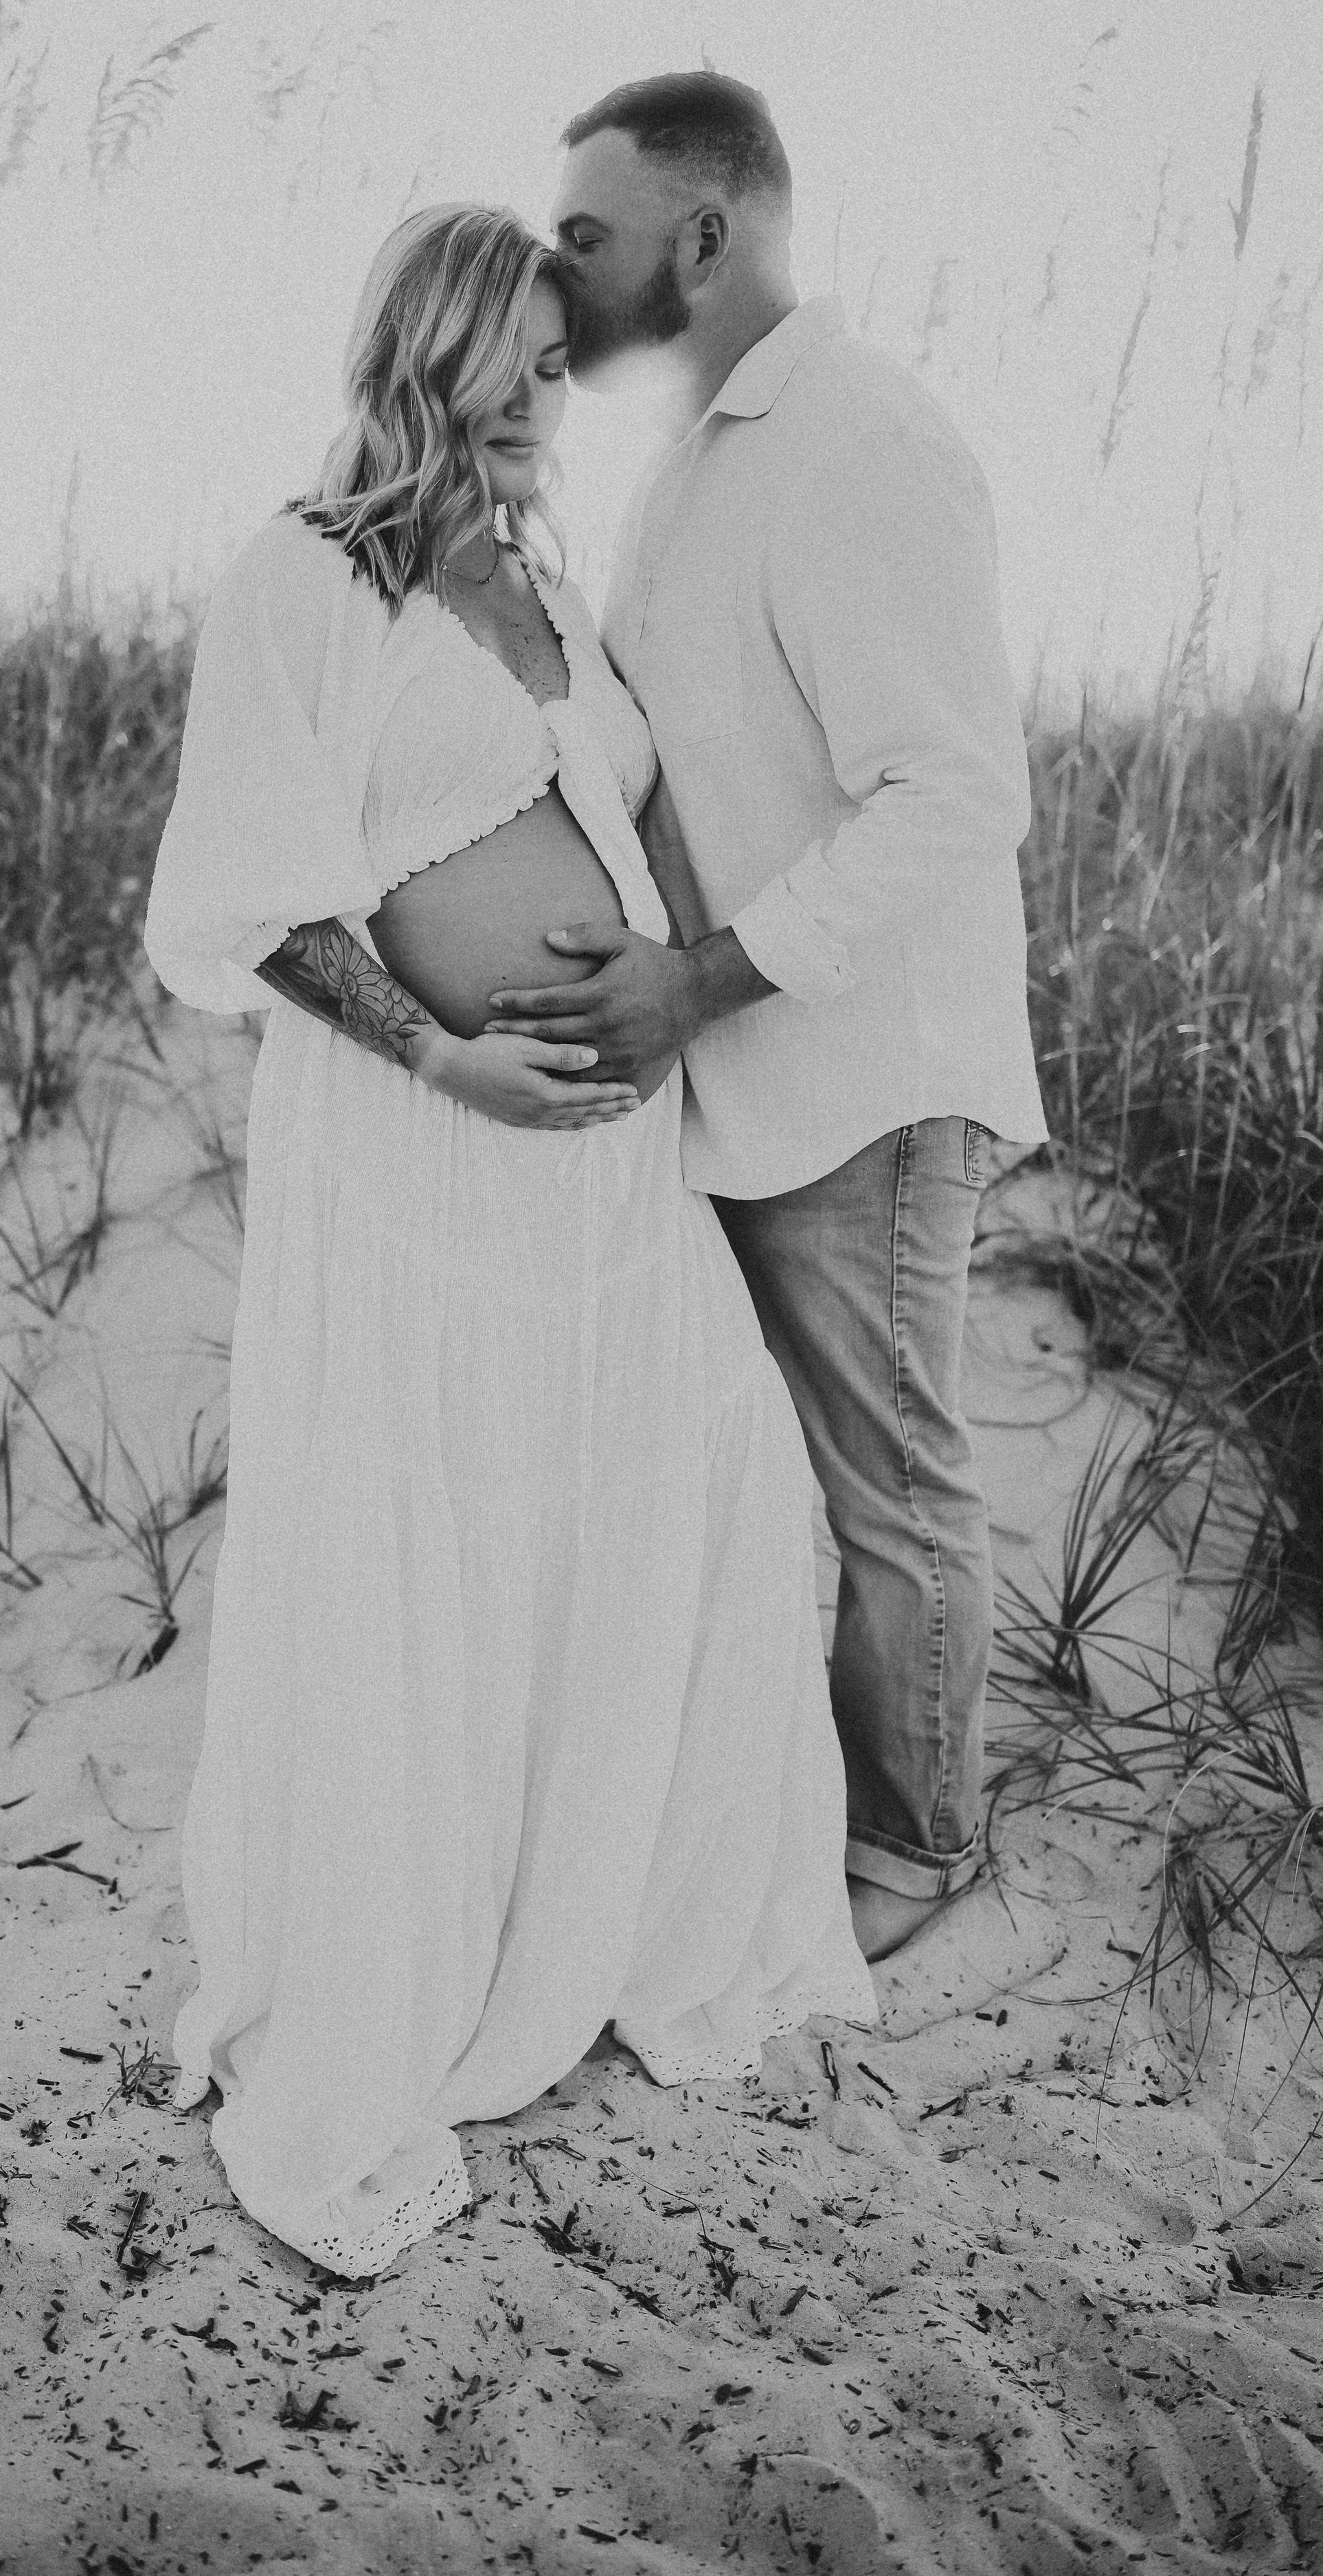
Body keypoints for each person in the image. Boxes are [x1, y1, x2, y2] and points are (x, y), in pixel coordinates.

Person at [142, 201, 874, 2281]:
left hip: (602, 1180)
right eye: (530, 363)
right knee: (428, 1533)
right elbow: (256, 894)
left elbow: (629, 825)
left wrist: (680, 997)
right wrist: (443, 1060)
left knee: (680, 1502)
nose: (562, 397)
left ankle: (616, 1914)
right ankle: (413, 1958)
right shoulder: (300, 575)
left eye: (569, 365)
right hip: (428, 1157)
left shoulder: (542, 577)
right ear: (439, 346)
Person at [483, 74, 1049, 1964]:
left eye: (588, 232)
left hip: (855, 1077)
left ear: (702, 236)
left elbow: (956, 792)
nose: (556, 271)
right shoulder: (703, 454)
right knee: (736, 1483)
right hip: (727, 1080)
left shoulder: (856, 441)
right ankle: (772, 1807)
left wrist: (694, 979)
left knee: (890, 1486)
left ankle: (917, 1839)